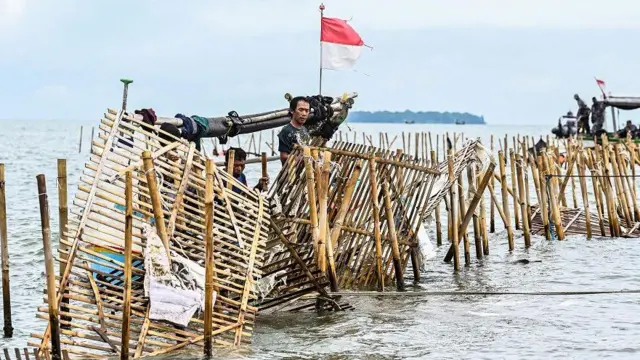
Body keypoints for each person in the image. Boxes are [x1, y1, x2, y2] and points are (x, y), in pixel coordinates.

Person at [278, 96, 311, 165]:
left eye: (306, 111)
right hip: (291, 172)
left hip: (305, 172)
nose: (304, 114)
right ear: (292, 111)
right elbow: (283, 157)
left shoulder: (304, 129)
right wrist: (300, 158)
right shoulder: (286, 131)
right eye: (301, 110)